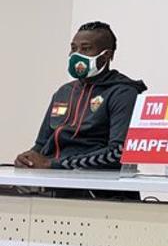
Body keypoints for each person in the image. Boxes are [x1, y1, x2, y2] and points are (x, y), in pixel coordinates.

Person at [14, 21, 147, 170]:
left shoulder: (123, 92)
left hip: (96, 187)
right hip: (53, 181)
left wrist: (54, 164)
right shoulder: (63, 92)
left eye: (86, 49)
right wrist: (27, 159)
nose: (76, 55)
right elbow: (40, 145)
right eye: (73, 48)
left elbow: (119, 152)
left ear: (106, 55)